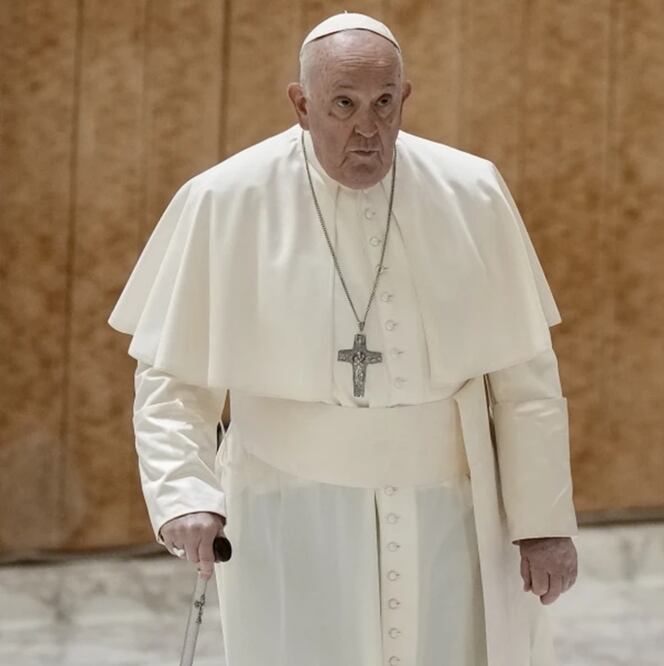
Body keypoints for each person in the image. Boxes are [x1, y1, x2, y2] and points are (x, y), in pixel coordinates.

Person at [109, 12, 578, 666]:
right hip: (288, 513)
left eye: (385, 104)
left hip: (452, 515)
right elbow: (173, 380)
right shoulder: (224, 201)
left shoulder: (472, 193)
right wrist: (185, 494)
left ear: (406, 97)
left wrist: (545, 524)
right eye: (343, 105)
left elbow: (526, 378)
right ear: (302, 104)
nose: (368, 128)